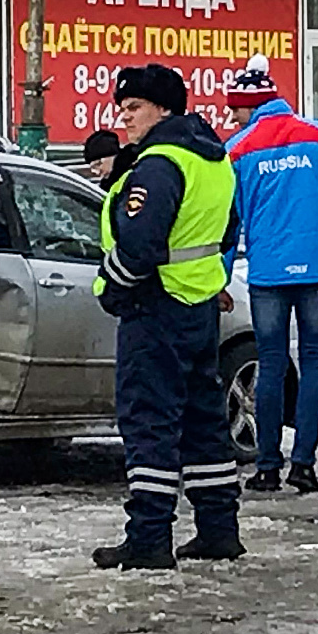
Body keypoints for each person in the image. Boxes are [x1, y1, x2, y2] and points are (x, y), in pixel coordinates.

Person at [91, 64, 243, 569]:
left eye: (133, 108)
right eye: (123, 107)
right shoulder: (214, 159)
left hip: (154, 309)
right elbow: (224, 235)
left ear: (163, 109)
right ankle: (219, 528)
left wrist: (113, 289)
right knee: (203, 421)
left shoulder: (159, 163)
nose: (125, 117)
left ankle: (149, 539)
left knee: (149, 421)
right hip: (197, 306)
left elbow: (138, 246)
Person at [222, 56, 318, 494]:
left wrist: (222, 277)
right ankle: (303, 465)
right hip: (317, 271)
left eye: (236, 110)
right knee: (315, 363)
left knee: (270, 364)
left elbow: (228, 222)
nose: (233, 117)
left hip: (268, 273)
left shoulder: (239, 150)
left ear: (251, 106)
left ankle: (266, 467)